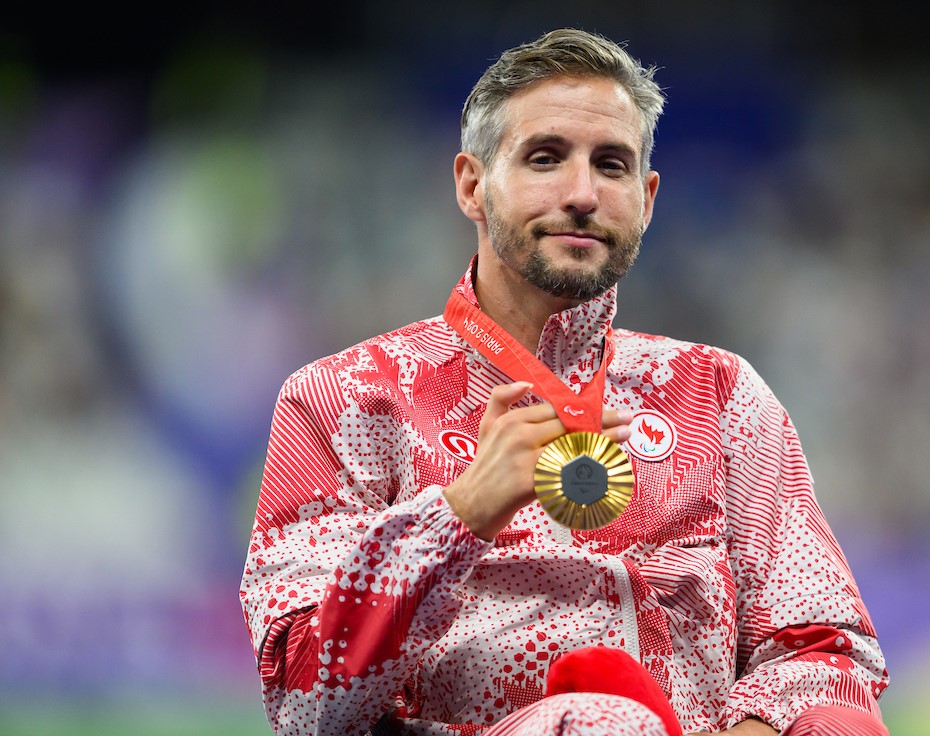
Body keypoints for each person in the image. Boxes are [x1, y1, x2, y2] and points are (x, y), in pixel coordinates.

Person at [240, 28, 889, 736]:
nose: (582, 194)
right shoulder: (341, 401)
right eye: (546, 158)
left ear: (646, 199)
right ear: (472, 184)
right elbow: (304, 705)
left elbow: (829, 653)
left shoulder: (723, 396)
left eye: (611, 166)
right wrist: (459, 515)